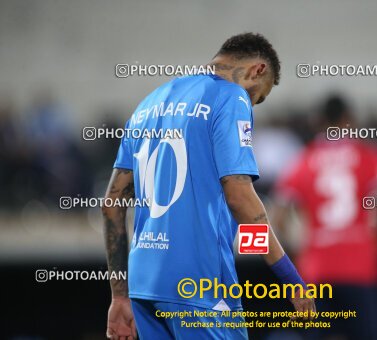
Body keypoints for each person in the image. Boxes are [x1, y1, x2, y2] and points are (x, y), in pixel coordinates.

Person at [101, 33, 315, 340]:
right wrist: (289, 278)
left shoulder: (150, 102)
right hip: (199, 285)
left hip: (143, 286)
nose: (252, 105)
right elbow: (240, 199)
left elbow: (112, 203)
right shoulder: (231, 96)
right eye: (258, 97)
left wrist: (119, 295)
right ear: (258, 70)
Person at [271, 95, 377, 340]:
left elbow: (277, 219)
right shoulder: (371, 156)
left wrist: (299, 253)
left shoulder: (301, 160)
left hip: (316, 269)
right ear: (349, 119)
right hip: (360, 265)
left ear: (319, 121)